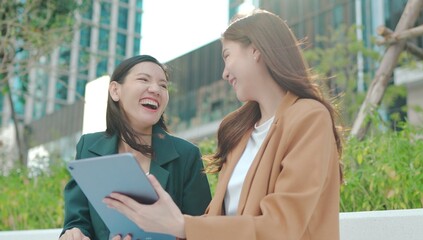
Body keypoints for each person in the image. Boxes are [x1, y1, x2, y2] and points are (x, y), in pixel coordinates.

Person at [103, 9, 343, 240]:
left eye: (227, 56)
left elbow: (283, 226)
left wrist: (183, 225)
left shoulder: (309, 117)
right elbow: (218, 221)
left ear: (256, 50)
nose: (225, 73)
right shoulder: (237, 131)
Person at [59, 55, 212, 240]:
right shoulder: (88, 147)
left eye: (163, 85)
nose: (156, 89)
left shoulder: (187, 155)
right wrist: (75, 234)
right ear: (115, 91)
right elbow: (77, 220)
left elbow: (202, 230)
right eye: (143, 79)